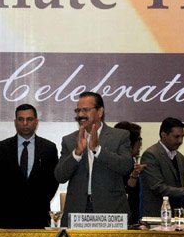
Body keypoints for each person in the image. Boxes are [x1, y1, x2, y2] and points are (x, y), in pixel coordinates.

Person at [54, 91, 133, 227]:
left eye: (85, 110)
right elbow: (60, 176)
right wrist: (77, 153)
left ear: (100, 111)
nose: (80, 115)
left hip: (111, 210)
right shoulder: (69, 140)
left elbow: (126, 166)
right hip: (78, 210)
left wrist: (97, 149)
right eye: (78, 110)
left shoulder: (120, 136)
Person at [0, 104, 59, 228]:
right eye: (21, 119)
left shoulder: (49, 148)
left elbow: (53, 182)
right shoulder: (1, 147)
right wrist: (12, 202)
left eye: (29, 119)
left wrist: (40, 201)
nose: (25, 123)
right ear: (15, 122)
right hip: (8, 214)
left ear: (36, 121)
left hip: (39, 215)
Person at [114, 121, 146, 225]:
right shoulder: (117, 163)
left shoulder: (133, 162)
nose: (141, 143)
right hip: (122, 220)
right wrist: (134, 175)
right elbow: (127, 190)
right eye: (139, 139)